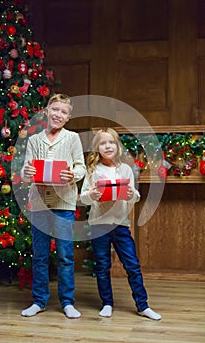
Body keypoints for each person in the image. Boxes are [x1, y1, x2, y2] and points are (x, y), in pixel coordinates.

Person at [80, 128, 161, 320]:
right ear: (97, 148)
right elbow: (83, 198)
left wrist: (133, 195)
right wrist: (91, 195)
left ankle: (143, 305)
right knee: (102, 266)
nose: (107, 146)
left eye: (111, 142)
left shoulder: (125, 169)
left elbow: (134, 196)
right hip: (99, 224)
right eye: (103, 143)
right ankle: (107, 303)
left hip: (120, 225)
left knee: (132, 266)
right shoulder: (92, 170)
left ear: (117, 146)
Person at [20, 93, 86, 318]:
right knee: (39, 255)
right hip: (39, 204)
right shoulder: (34, 140)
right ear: (47, 111)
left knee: (65, 254)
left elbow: (81, 167)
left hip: (64, 203)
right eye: (55, 109)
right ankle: (39, 301)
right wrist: (26, 172)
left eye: (64, 112)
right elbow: (26, 170)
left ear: (68, 117)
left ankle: (67, 302)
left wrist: (71, 174)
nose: (58, 114)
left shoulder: (72, 138)